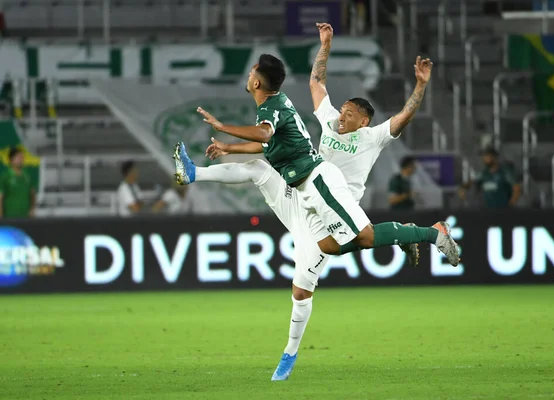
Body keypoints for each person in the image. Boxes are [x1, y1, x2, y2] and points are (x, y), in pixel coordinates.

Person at [173, 22, 459, 381]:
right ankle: (193, 173)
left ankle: (428, 234)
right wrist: (325, 44)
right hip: (303, 199)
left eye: (350, 114)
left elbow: (402, 117)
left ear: (364, 120)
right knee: (262, 176)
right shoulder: (327, 120)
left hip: (329, 194)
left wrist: (420, 86)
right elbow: (316, 82)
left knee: (358, 241)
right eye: (342, 111)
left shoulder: (372, 137)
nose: (342, 116)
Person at [0, 147, 36, 218]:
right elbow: (1, 197)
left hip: (26, 217)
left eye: (22, 157)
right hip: (10, 216)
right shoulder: (5, 176)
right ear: (11, 160)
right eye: (18, 157)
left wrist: (32, 209)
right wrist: (1, 214)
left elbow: (32, 193)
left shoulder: (27, 175)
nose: (21, 160)